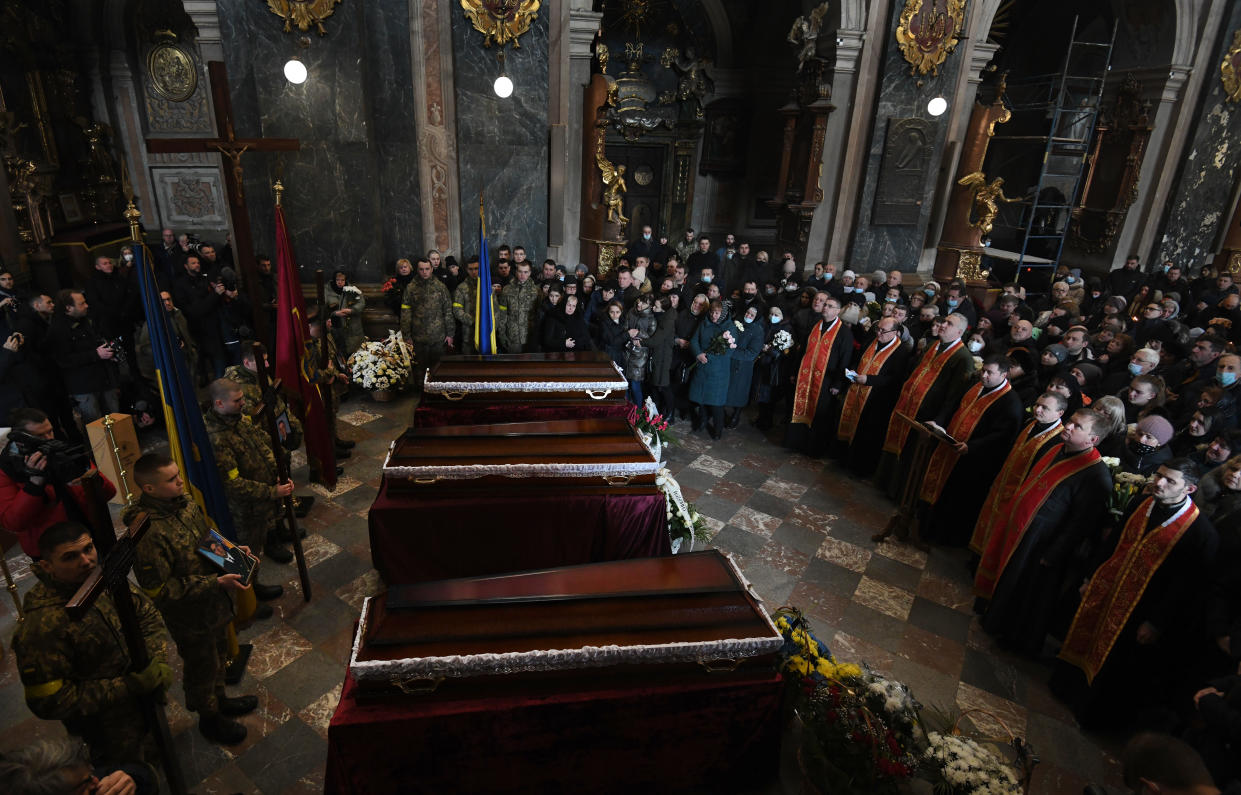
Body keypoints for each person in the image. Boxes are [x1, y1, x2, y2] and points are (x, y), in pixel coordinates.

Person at [1054, 459, 1218, 730]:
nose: (1159, 483)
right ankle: (1068, 689)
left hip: (1142, 610)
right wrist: (1090, 577)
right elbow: (1113, 543)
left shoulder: (1199, 532)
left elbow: (1186, 588)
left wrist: (1156, 622)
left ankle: (1093, 715)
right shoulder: (1140, 504)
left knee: (1118, 665)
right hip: (1110, 589)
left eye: (1170, 481)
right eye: (1159, 476)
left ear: (1189, 489)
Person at [11, 522, 172, 767]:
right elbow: (49, 701)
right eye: (70, 557)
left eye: (88, 549)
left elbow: (147, 614)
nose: (86, 561)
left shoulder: (101, 578)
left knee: (155, 758)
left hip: (145, 706)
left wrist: (156, 660)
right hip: (107, 730)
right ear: (47, 566)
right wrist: (128, 686)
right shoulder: (42, 625)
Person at [129, 454, 258, 745]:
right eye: (172, 479)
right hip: (190, 616)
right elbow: (159, 591)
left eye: (178, 475)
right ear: (149, 489)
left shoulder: (182, 503)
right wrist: (215, 581)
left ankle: (220, 700)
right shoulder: (147, 533)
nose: (180, 482)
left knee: (219, 656)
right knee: (202, 667)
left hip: (214, 603)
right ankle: (209, 719)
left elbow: (203, 539)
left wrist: (232, 554)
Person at [977, 410, 1113, 656]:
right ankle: (995, 620)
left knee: (1029, 594)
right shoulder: (1057, 449)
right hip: (1025, 531)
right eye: (1070, 421)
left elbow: (1081, 523)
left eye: (1077, 426)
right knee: (1011, 580)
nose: (1068, 427)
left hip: (1044, 543)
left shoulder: (1096, 475)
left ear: (1093, 439)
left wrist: (1053, 553)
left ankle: (1014, 640)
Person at [921, 355, 1025, 546]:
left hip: (973, 460)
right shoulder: (975, 385)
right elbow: (952, 403)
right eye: (983, 370)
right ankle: (923, 525)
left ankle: (939, 537)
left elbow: (1001, 437)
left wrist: (973, 446)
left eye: (989, 373)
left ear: (1004, 375)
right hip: (949, 447)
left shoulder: (1011, 403)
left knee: (954, 500)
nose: (984, 375)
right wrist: (939, 422)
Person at [203, 378, 291, 600]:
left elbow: (261, 442)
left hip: (261, 501)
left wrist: (278, 470)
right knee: (243, 552)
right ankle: (249, 599)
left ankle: (253, 587)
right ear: (219, 404)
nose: (243, 403)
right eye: (237, 400)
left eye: (242, 398)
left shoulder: (237, 419)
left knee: (257, 546)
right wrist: (273, 492)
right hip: (243, 510)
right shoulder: (216, 437)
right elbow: (232, 484)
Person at [875, 313, 974, 500]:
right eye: (944, 321)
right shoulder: (934, 345)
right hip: (910, 405)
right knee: (899, 446)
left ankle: (900, 494)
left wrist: (938, 421)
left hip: (928, 414)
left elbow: (954, 396)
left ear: (959, 331)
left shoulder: (962, 358)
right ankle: (887, 485)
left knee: (912, 456)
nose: (943, 325)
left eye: (949, 324)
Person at [0, 408, 115, 559]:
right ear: (20, 441)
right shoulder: (6, 469)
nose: (48, 438)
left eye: (50, 431)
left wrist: (90, 479)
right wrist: (34, 485)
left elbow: (109, 492)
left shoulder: (62, 451)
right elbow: (13, 523)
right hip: (54, 553)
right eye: (40, 435)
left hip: (89, 534)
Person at [968, 391, 1067, 558]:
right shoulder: (1030, 423)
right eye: (1037, 405)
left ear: (1060, 413)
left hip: (1019, 492)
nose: (1037, 410)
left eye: (1044, 408)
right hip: (1003, 482)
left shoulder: (1058, 440)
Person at [839, 317, 913, 477]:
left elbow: (895, 378)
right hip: (857, 390)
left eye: (883, 331)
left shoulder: (902, 351)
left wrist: (869, 380)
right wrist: (852, 371)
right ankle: (844, 458)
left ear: (895, 332)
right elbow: (857, 359)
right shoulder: (871, 341)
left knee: (868, 433)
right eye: (877, 329)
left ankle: (859, 468)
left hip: (877, 399)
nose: (878, 333)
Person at [783, 295, 853, 456]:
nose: (825, 308)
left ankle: (813, 448)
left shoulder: (844, 333)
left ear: (837, 310)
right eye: (825, 305)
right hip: (806, 377)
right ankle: (796, 442)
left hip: (826, 381)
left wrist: (837, 383)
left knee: (820, 414)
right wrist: (795, 371)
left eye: (829, 305)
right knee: (802, 407)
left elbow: (845, 359)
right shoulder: (815, 326)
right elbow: (802, 351)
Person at [45, 289, 121, 426]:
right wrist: (95, 354)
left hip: (104, 378)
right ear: (68, 308)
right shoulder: (58, 330)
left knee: (115, 419)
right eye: (81, 304)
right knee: (95, 426)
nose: (86, 305)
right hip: (84, 386)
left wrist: (108, 353)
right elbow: (63, 360)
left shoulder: (86, 320)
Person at [0, 736, 157, 795]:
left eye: (91, 774)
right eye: (86, 781)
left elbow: (146, 774)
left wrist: (133, 778)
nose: (95, 780)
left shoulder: (92, 785)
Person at [688, 299, 735, 439]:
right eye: (712, 312)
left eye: (717, 313)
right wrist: (698, 354)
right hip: (702, 367)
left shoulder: (730, 328)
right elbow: (694, 340)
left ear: (723, 314)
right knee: (701, 399)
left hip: (718, 371)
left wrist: (707, 357)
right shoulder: (704, 323)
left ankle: (717, 430)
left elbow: (728, 352)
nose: (714, 315)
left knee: (716, 404)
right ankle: (702, 421)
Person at [400, 257, 454, 374]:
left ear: (432, 269)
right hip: (418, 338)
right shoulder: (411, 288)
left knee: (438, 371)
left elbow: (448, 311)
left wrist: (450, 334)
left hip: (438, 338)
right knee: (420, 372)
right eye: (421, 269)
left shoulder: (440, 287)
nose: (424, 272)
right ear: (417, 270)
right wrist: (406, 336)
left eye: (427, 269)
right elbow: (405, 313)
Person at [723, 304, 765, 429]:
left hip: (742, 366)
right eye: (747, 312)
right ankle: (723, 412)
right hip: (729, 363)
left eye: (752, 315)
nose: (748, 316)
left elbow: (752, 353)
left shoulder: (758, 330)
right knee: (727, 390)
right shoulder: (737, 323)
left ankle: (736, 414)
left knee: (740, 392)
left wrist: (731, 352)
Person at [645, 295, 678, 417]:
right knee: (656, 385)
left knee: (664, 386)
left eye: (656, 307)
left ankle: (670, 413)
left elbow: (655, 340)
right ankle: (657, 412)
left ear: (663, 309)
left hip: (663, 356)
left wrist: (640, 342)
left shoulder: (667, 321)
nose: (653, 308)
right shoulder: (663, 316)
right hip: (659, 355)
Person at [497, 260, 539, 353]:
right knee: (513, 365)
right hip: (512, 336)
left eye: (525, 272)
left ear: (530, 273)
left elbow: (538, 315)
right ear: (516, 272)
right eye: (520, 271)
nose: (522, 275)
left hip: (530, 336)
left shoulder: (536, 291)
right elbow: (502, 314)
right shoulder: (507, 289)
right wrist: (502, 334)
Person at [623, 294, 657, 404]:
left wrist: (639, 333)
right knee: (624, 385)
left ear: (650, 306)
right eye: (639, 301)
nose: (639, 304)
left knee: (635, 385)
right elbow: (624, 327)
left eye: (643, 303)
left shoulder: (651, 319)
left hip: (640, 355)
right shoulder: (631, 312)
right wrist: (628, 334)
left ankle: (638, 413)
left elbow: (652, 338)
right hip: (626, 351)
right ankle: (626, 409)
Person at [327, 269, 366, 357]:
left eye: (342, 280)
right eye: (337, 280)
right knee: (338, 352)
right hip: (336, 327)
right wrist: (335, 314)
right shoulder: (329, 292)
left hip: (351, 327)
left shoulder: (353, 290)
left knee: (353, 351)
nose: (340, 282)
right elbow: (325, 309)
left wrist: (352, 310)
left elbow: (361, 303)